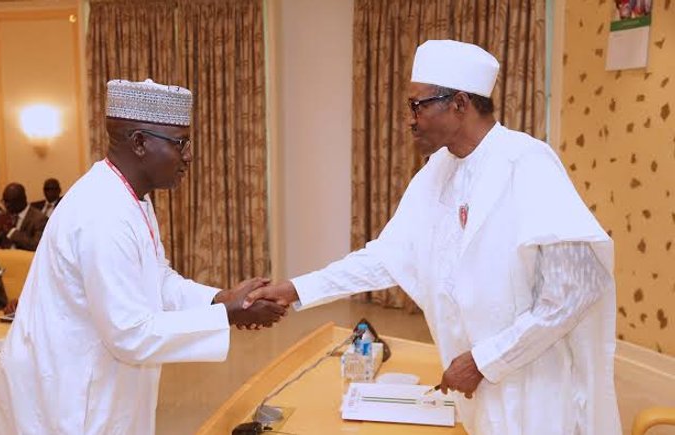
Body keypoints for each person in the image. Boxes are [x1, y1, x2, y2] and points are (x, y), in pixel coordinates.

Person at [244, 40, 621, 435]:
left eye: (418, 105)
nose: (410, 119)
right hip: (475, 383)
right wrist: (295, 289)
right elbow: (385, 258)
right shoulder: (436, 171)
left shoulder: (527, 163)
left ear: (460, 103)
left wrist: (484, 361)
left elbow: (577, 289)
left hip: (534, 390)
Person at [0, 79, 285, 434]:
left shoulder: (130, 197)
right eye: (180, 143)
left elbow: (156, 279)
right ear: (140, 142)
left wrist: (218, 299)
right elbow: (131, 334)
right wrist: (228, 314)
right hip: (66, 397)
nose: (188, 155)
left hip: (96, 384)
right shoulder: (103, 212)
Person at [0, 183, 48, 251]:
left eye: (9, 202)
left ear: (22, 200)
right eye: (4, 201)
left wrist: (11, 231)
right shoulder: (6, 215)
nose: (6, 205)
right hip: (5, 258)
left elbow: (36, 246)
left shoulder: (39, 219)